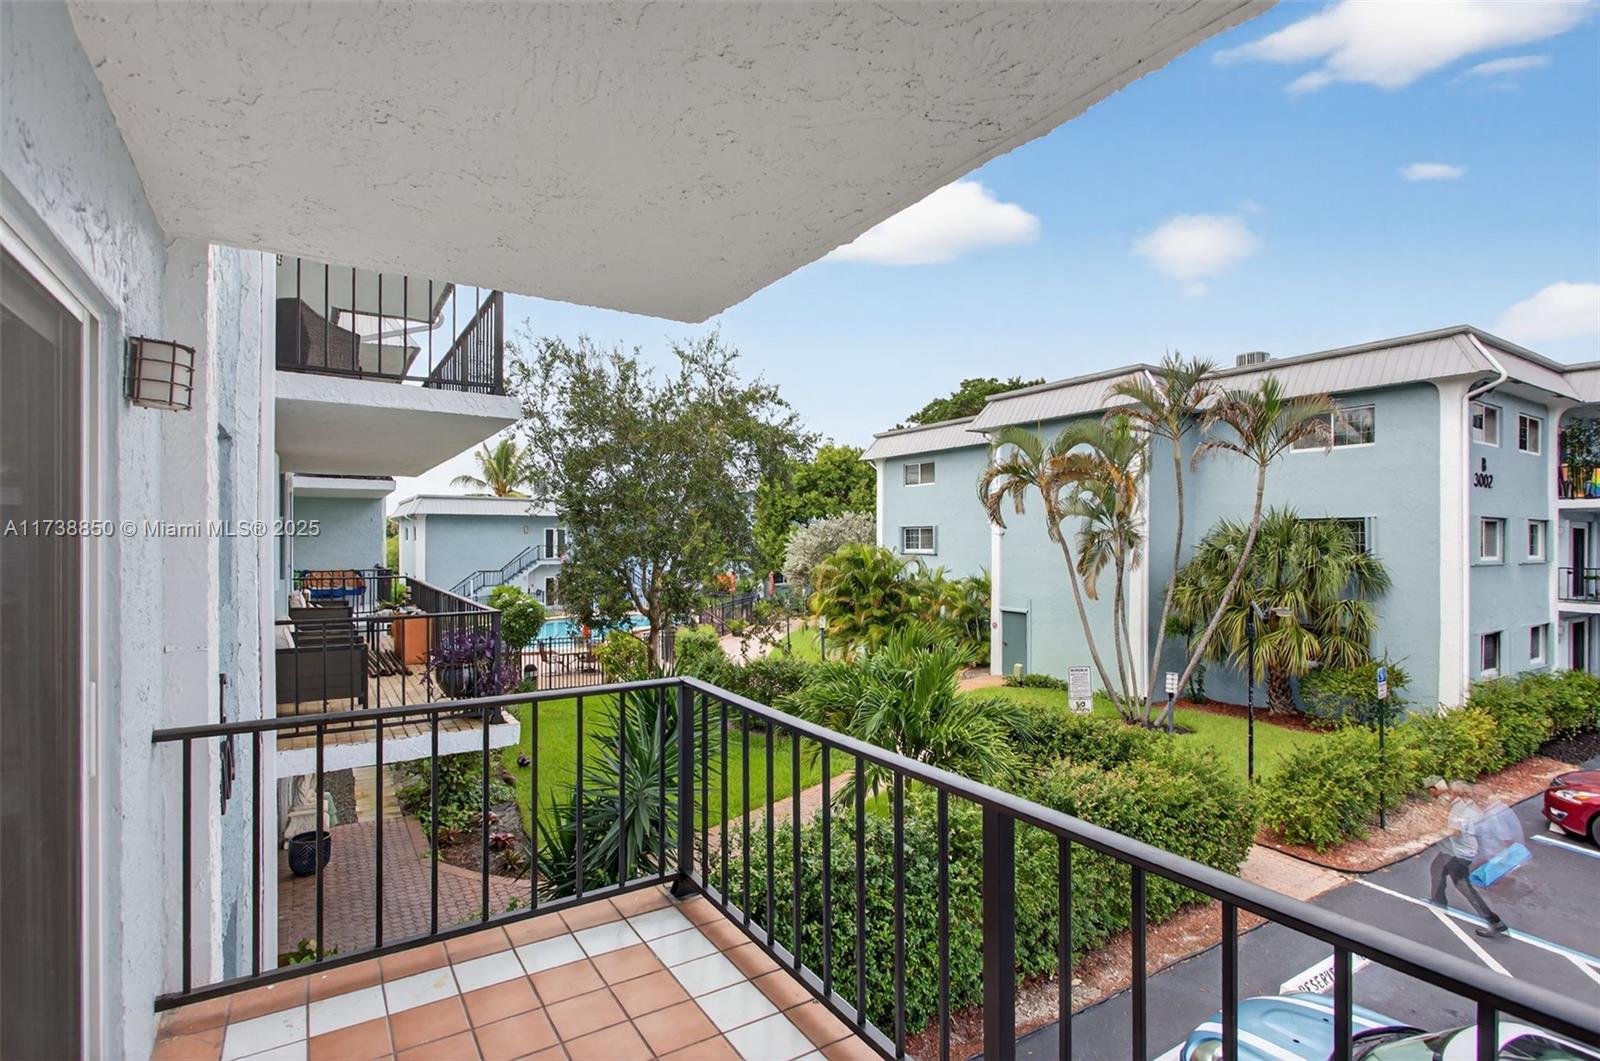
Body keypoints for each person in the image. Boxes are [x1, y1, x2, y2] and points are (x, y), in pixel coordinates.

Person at [1430, 791, 1509, 938]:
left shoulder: (1459, 810)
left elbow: (1456, 831)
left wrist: (1435, 835)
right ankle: (1438, 902)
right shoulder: (1468, 807)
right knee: (1436, 869)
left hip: (1459, 854)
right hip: (1458, 852)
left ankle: (1494, 921)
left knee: (1463, 886)